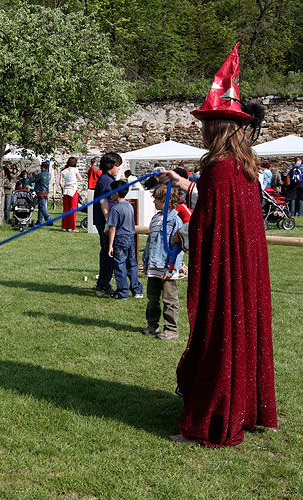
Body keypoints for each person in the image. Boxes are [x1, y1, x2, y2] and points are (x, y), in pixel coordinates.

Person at [161, 44, 276, 446]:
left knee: (218, 337)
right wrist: (188, 186)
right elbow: (222, 218)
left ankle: (213, 419)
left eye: (208, 122)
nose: (203, 128)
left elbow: (209, 225)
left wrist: (182, 234)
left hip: (224, 272)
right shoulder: (244, 166)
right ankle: (241, 408)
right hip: (243, 273)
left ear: (218, 127)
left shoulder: (217, 168)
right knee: (238, 333)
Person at [141, 184, 184, 340]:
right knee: (152, 298)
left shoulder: (175, 221)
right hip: (153, 267)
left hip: (166, 268)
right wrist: (145, 261)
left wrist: (171, 269)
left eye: (157, 199)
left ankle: (171, 328)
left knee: (169, 300)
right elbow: (149, 242)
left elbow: (178, 249)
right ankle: (152, 325)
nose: (154, 202)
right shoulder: (155, 218)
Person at [106, 180, 143, 299]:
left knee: (120, 264)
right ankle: (136, 290)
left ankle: (122, 292)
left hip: (120, 239)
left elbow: (112, 229)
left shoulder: (115, 209)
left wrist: (110, 245)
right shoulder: (129, 206)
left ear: (116, 193)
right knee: (132, 264)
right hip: (131, 237)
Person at [92, 152, 122, 296]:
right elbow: (104, 201)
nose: (118, 169)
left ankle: (103, 283)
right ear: (111, 165)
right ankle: (103, 285)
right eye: (117, 166)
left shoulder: (107, 179)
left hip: (104, 220)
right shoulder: (106, 180)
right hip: (105, 221)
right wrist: (109, 220)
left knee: (106, 251)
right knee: (108, 252)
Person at [59, 157, 83, 232]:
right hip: (73, 190)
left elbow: (60, 182)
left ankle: (64, 227)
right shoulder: (75, 169)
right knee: (73, 209)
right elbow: (81, 179)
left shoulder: (63, 171)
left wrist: (63, 188)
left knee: (66, 209)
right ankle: (71, 227)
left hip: (66, 190)